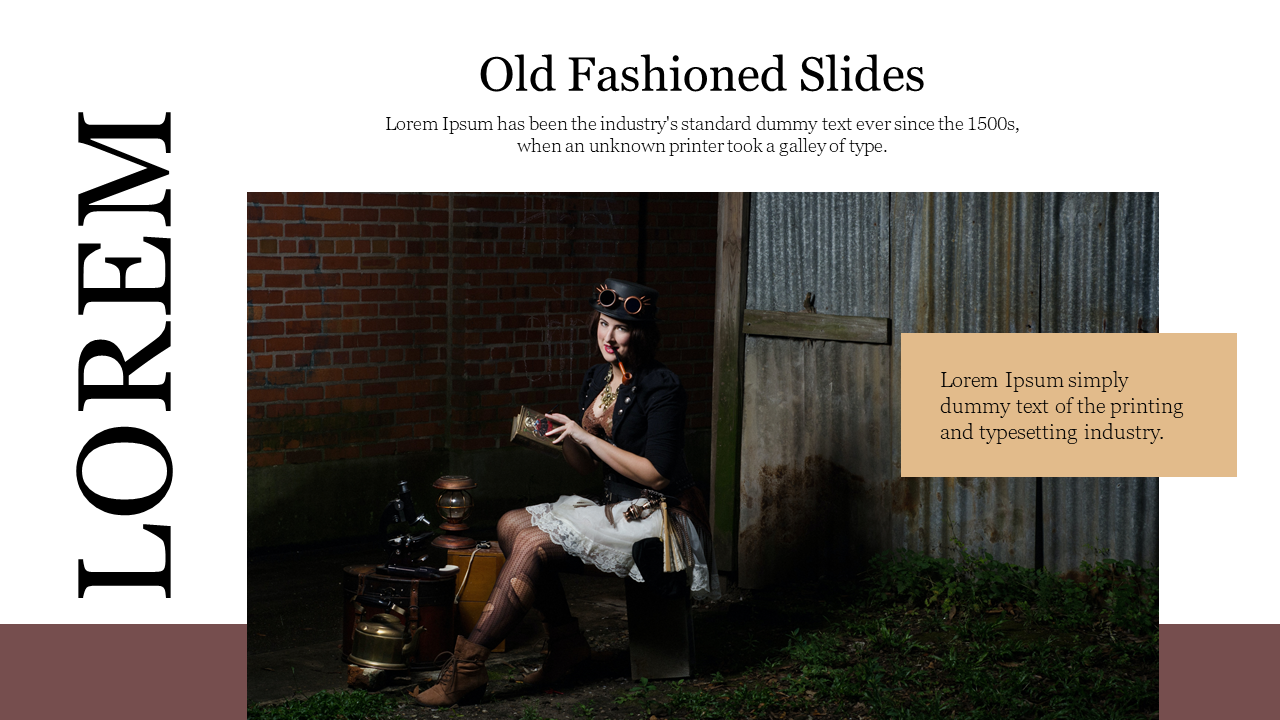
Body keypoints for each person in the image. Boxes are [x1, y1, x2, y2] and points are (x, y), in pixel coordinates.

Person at [415, 278, 719, 707]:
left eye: (622, 328)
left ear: (642, 334)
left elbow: (657, 476)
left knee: (535, 544)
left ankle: (467, 666)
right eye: (604, 323)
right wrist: (566, 440)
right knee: (510, 523)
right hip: (621, 508)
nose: (609, 336)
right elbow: (586, 468)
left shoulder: (662, 386)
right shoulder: (598, 377)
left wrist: (588, 436)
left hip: (663, 516)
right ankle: (566, 642)